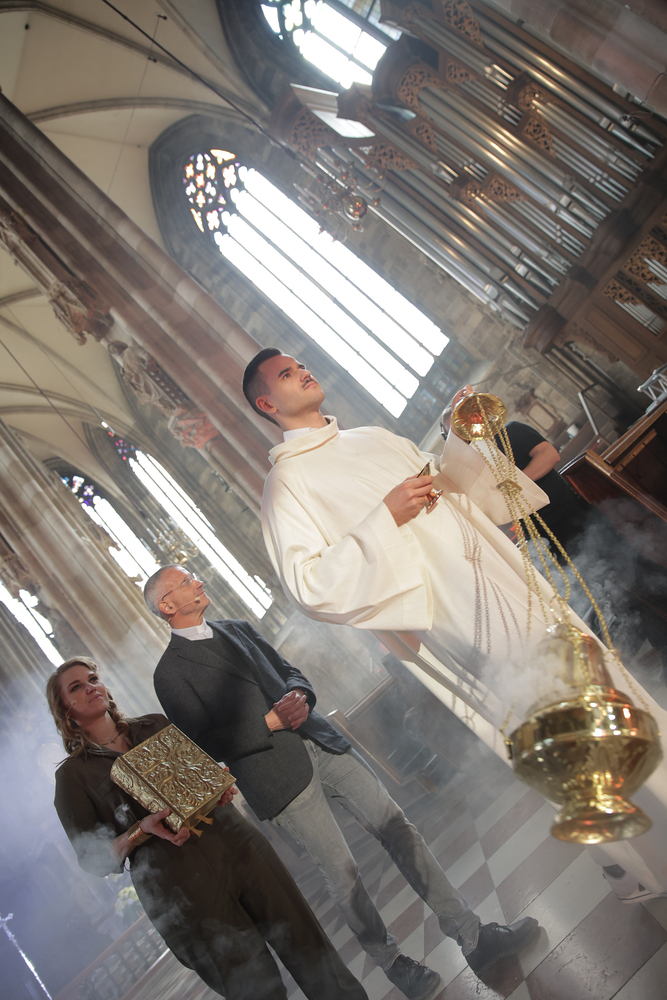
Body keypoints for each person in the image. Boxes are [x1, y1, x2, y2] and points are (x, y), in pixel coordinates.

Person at [145, 563, 539, 987]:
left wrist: (300, 694)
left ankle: (471, 934)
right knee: (342, 872)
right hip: (276, 778)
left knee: (398, 828)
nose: (198, 581)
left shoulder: (237, 628)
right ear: (167, 605)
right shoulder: (170, 673)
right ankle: (394, 964)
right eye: (186, 581)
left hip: (321, 741)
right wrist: (270, 723)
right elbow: (203, 744)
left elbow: (289, 671)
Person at [48, 656, 368, 1000]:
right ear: (66, 712)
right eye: (76, 687)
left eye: (93, 678)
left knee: (307, 942)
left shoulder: (154, 725)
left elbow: (202, 776)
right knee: (253, 985)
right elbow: (92, 859)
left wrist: (218, 785)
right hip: (181, 886)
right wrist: (141, 830)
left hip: (236, 842)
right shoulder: (72, 777)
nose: (90, 687)